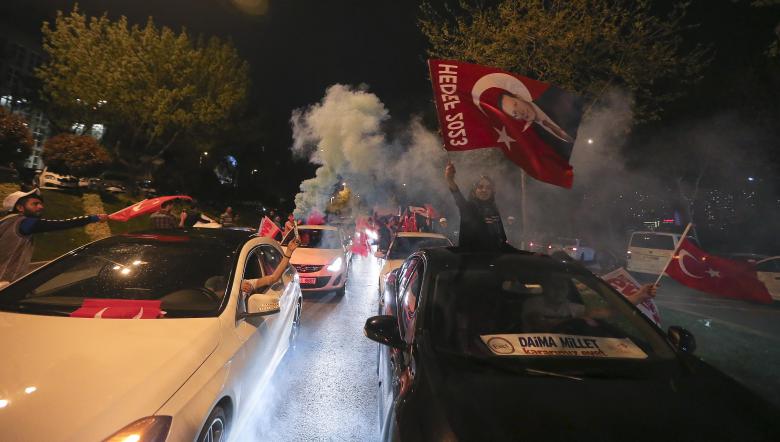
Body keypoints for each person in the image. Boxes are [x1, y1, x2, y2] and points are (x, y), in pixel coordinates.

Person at [0, 189, 108, 284]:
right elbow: (62, 224)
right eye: (35, 204)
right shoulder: (22, 222)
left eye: (41, 204)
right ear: (20, 208)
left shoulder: (5, 222)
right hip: (5, 282)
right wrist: (94, 218)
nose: (41, 207)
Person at [444, 161, 507, 251]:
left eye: (488, 187)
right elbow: (458, 198)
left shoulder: (495, 210)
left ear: (492, 191)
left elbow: (502, 241)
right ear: (474, 191)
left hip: (494, 262)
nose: (484, 190)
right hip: (472, 262)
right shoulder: (469, 208)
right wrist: (450, 180)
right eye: (480, 187)